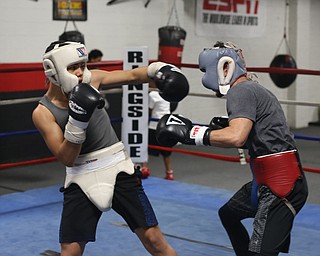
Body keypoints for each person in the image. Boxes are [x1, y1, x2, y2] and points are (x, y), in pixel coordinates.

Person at [32, 40, 189, 256]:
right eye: (72, 67)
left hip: (119, 170)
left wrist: (159, 70)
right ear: (54, 71)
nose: (79, 72)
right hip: (81, 176)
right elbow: (66, 158)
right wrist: (77, 122)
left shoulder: (91, 79)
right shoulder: (43, 113)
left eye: (82, 65)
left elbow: (133, 76)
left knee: (154, 239)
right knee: (71, 251)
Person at [156, 41, 308, 256]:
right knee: (228, 214)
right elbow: (263, 138)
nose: (206, 77)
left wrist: (191, 134)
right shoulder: (251, 89)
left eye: (206, 70)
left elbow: (236, 137)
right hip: (268, 178)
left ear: (225, 67)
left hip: (280, 186)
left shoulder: (241, 91)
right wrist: (218, 129)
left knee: (261, 252)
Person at [141, 88, 175, 180]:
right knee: (166, 151)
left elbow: (149, 109)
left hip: (154, 125)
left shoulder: (153, 94)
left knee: (146, 148)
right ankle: (169, 172)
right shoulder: (167, 92)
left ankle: (144, 168)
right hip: (166, 124)